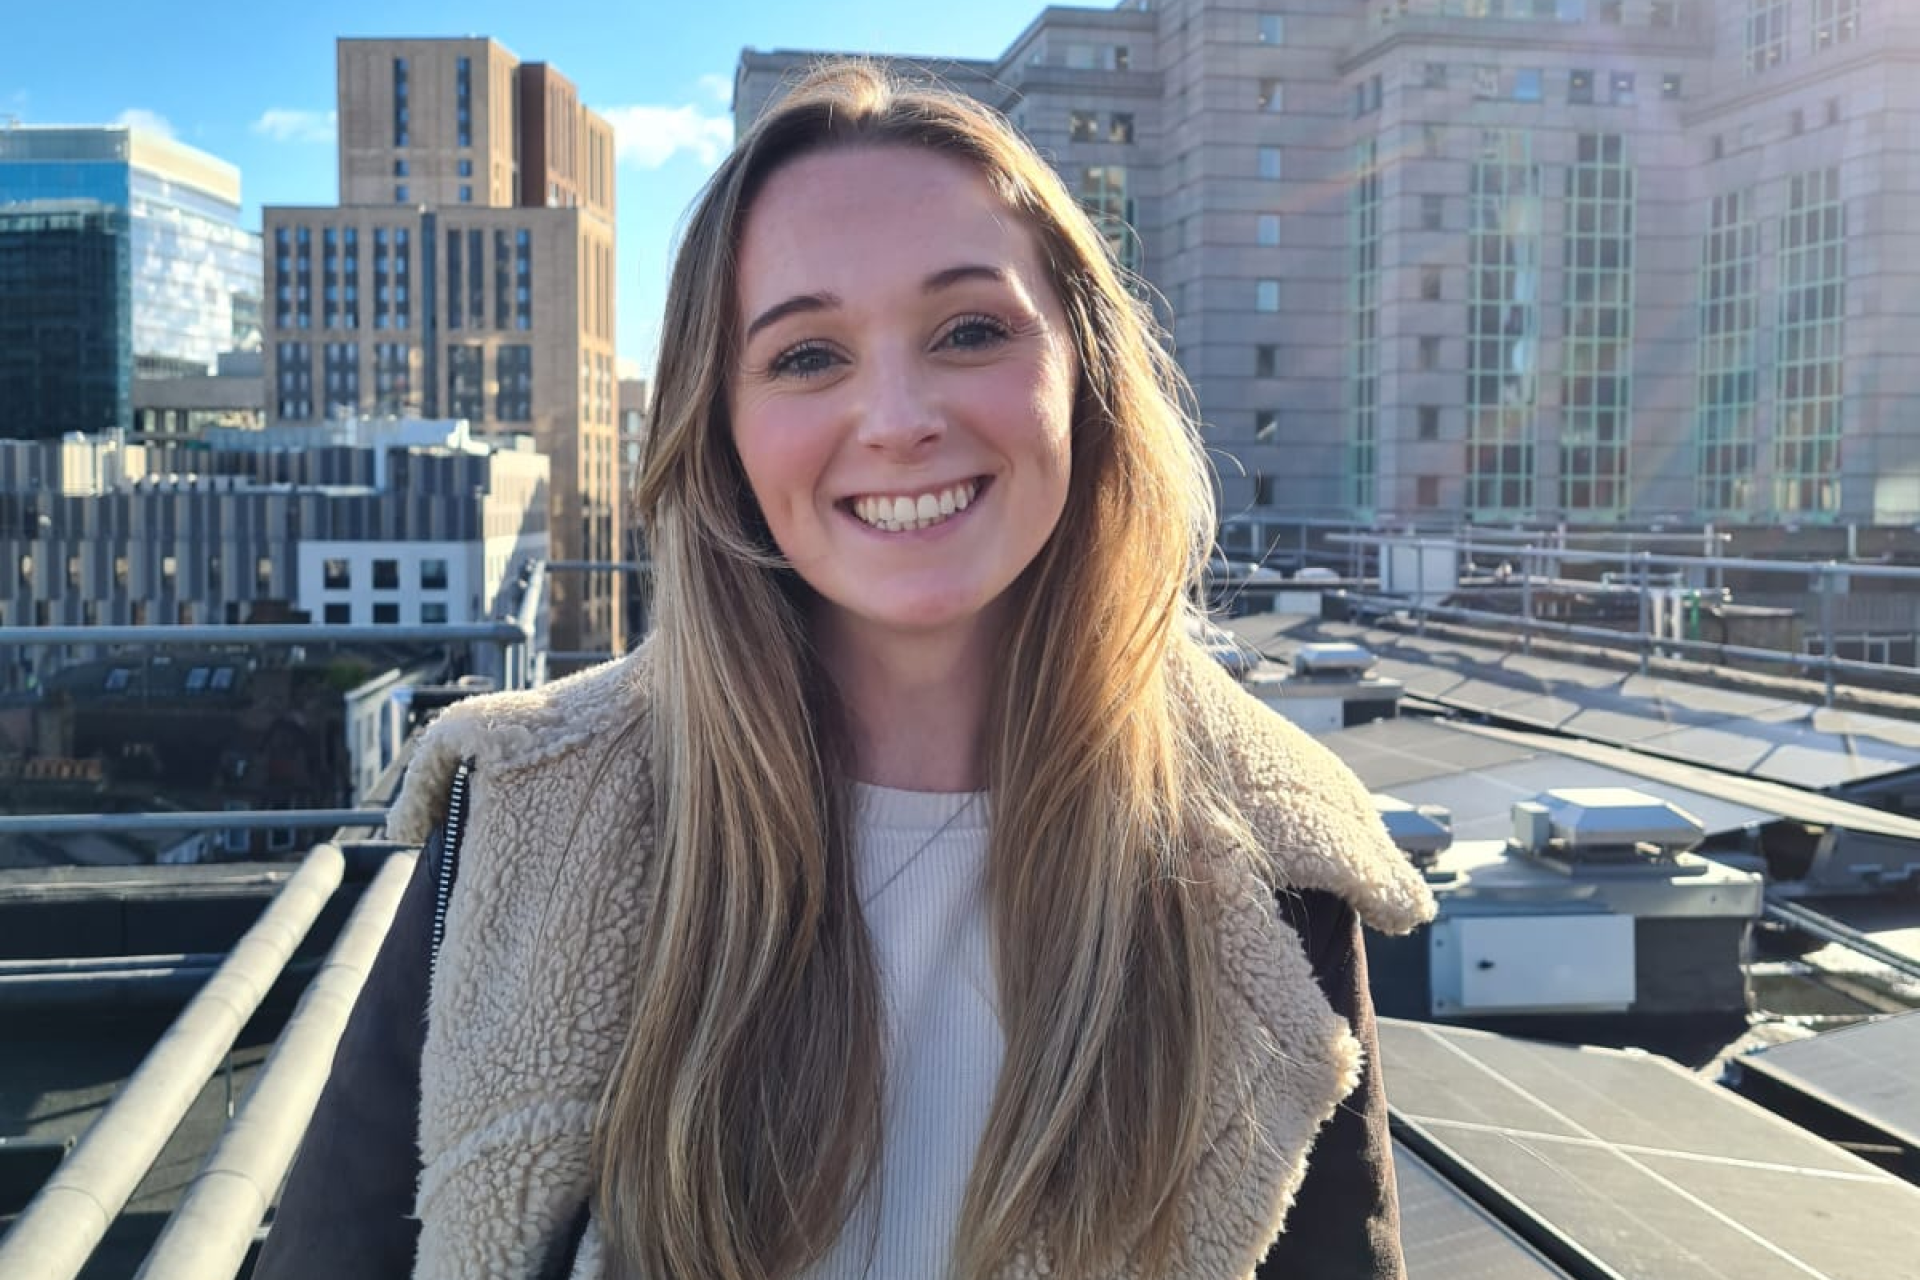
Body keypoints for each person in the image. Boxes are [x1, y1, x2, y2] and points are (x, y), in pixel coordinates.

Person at [253, 60, 1435, 1280]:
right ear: (719, 429)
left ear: (1083, 376)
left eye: (970, 330)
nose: (898, 415)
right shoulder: (516, 815)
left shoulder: (1276, 854)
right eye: (808, 355)